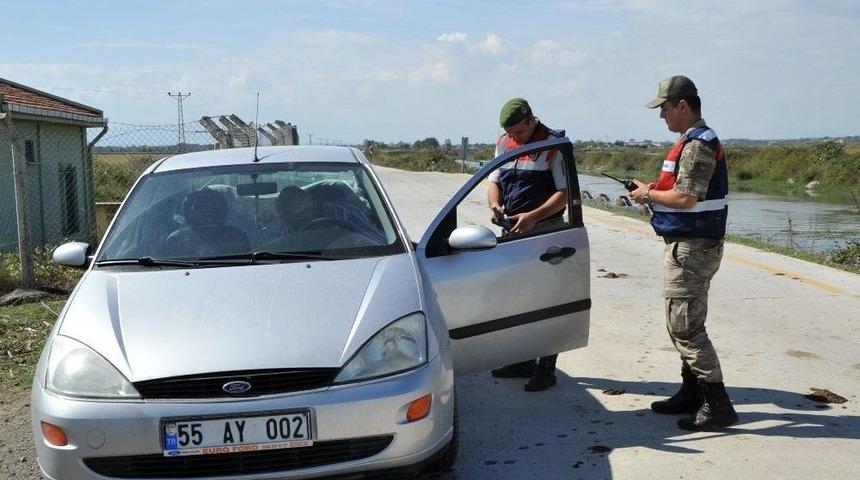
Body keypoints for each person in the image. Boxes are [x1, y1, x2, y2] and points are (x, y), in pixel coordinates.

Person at [629, 75, 738, 431]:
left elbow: (685, 197)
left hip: (692, 248)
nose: (662, 116)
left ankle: (717, 403)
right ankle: (691, 393)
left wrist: (647, 193)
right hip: (691, 246)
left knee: (685, 326)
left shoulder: (697, 145)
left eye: (664, 109)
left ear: (682, 105)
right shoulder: (690, 141)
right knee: (687, 320)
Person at [487, 98, 568, 392]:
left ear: (532, 120)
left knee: (546, 301)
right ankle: (522, 360)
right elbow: (495, 180)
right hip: (513, 230)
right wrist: (495, 204)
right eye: (511, 134)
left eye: (520, 132)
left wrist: (534, 217)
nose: (516, 139)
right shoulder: (503, 142)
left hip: (545, 231)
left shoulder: (553, 145)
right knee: (517, 299)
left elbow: (565, 193)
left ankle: (546, 369)